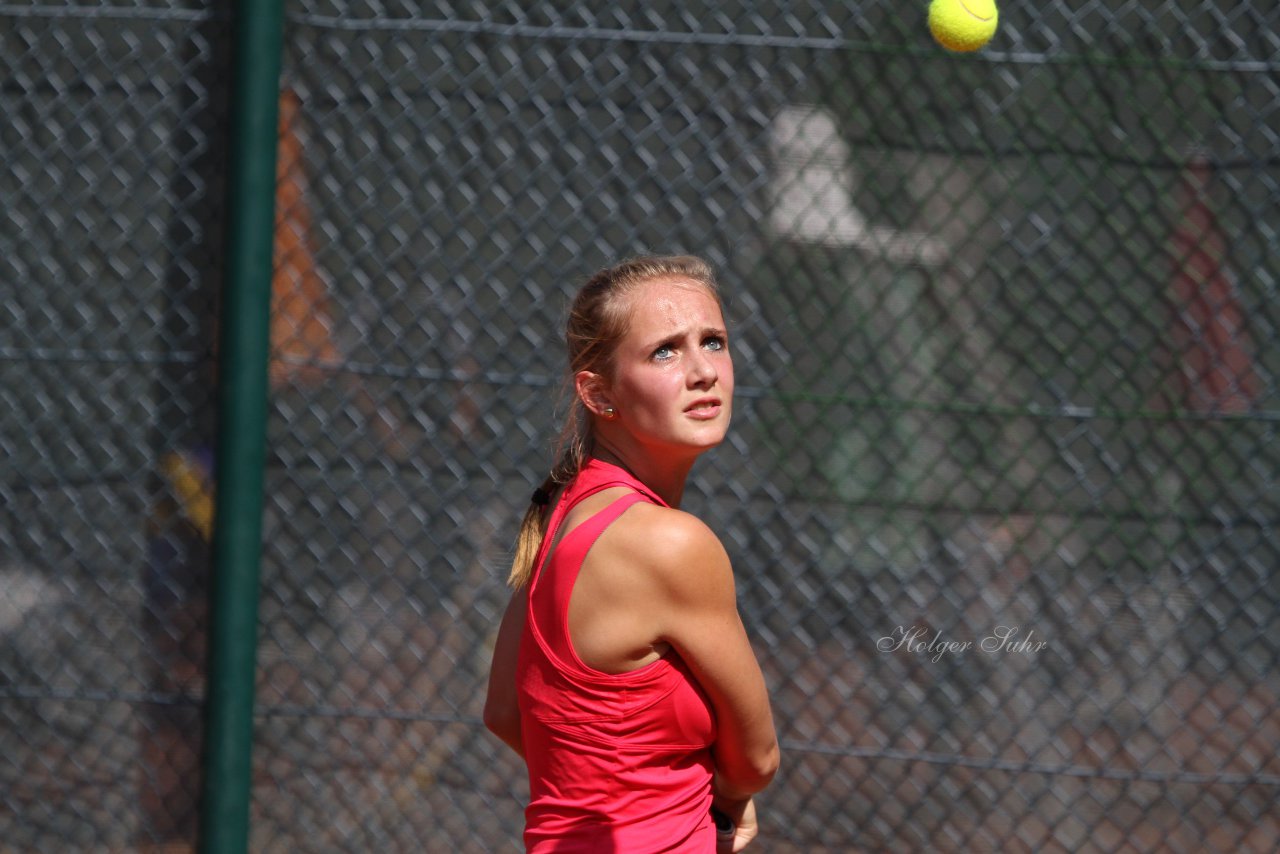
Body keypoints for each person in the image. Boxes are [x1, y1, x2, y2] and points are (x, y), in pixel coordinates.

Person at [484, 255, 779, 852]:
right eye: (664, 352)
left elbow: (504, 713)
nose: (703, 371)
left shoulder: (562, 513)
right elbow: (757, 758)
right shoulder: (668, 544)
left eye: (713, 341)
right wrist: (716, 805)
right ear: (598, 392)